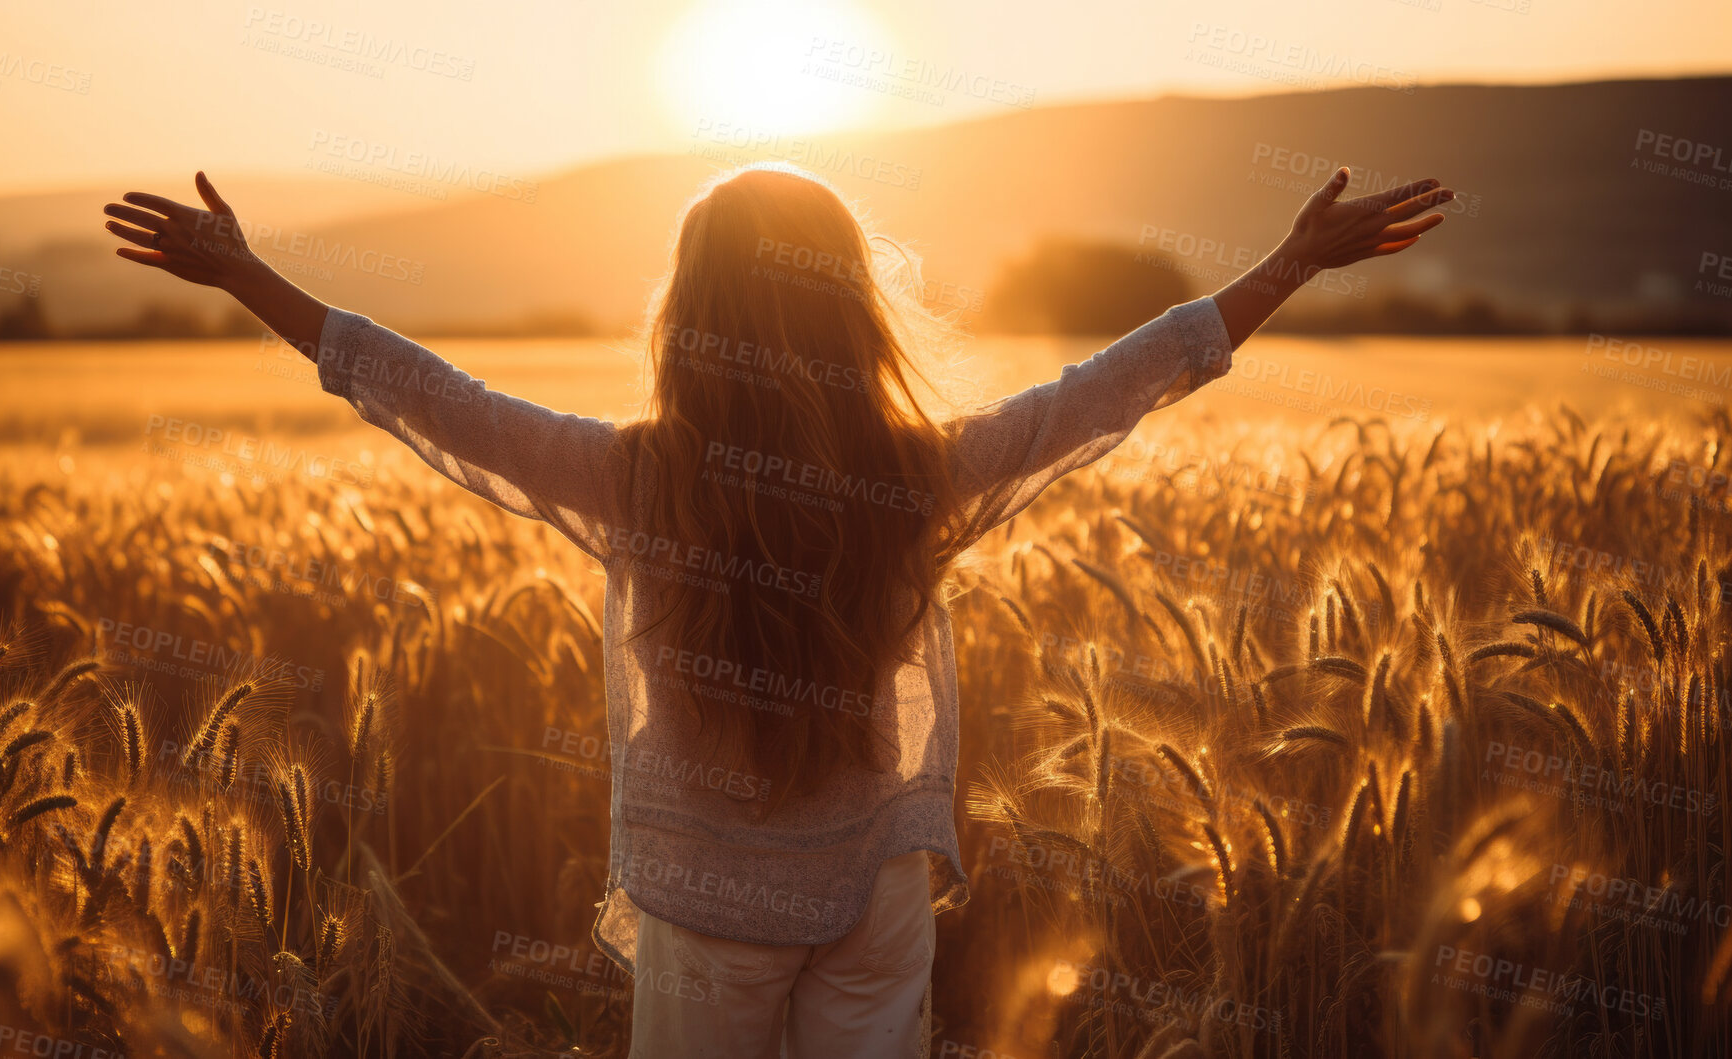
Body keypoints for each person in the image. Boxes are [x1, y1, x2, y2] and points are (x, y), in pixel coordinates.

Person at [105, 161, 1451, 1057]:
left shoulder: (635, 476)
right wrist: (1283, 263)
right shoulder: (915, 475)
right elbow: (1105, 390)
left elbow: (425, 393)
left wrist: (246, 278)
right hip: (870, 883)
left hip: (704, 892)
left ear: (688, 316)